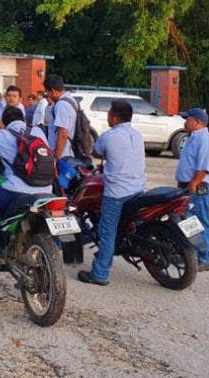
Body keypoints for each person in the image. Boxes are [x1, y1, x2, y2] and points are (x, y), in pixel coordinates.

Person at [0, 106, 53, 271]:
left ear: (4, 122)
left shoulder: (1, 135)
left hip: (16, 190)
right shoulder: (37, 131)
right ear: (24, 119)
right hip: (46, 189)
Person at [77, 100, 146, 285]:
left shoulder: (108, 136)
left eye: (109, 113)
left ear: (115, 118)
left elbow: (96, 152)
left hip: (116, 193)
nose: (108, 116)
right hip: (138, 189)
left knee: (107, 232)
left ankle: (100, 274)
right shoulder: (137, 135)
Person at [175, 107, 209, 272]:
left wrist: (193, 185)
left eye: (188, 119)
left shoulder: (204, 140)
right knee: (188, 222)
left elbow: (204, 168)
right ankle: (191, 254)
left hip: (197, 187)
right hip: (188, 186)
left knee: (200, 222)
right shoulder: (193, 137)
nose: (185, 122)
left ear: (198, 122)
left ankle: (204, 258)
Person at [43, 74, 76, 159]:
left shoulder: (61, 105)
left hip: (63, 155)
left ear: (53, 91)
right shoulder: (71, 100)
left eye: (47, 92)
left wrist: (56, 157)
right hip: (69, 151)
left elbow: (63, 134)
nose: (47, 95)